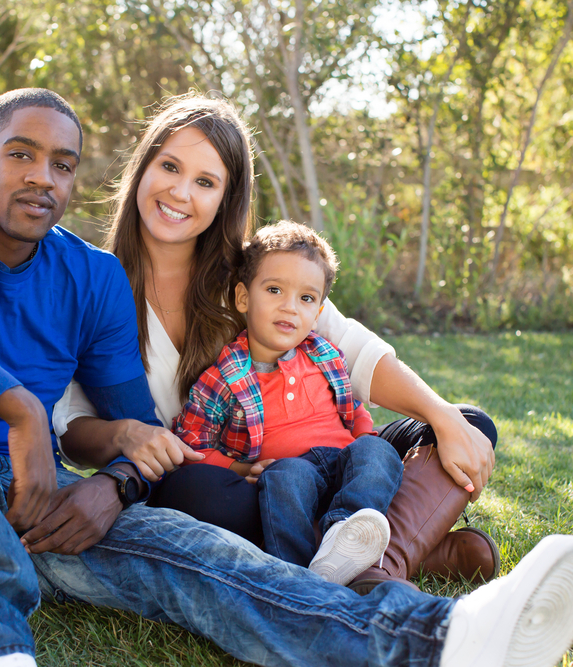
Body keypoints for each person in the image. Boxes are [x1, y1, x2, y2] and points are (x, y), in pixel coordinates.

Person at [0, 87, 573, 667]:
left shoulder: (99, 276)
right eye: (20, 155)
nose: (42, 177)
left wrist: (114, 482)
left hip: (41, 503)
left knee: (199, 558)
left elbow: (144, 432)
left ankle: (444, 635)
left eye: (60, 164)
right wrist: (23, 409)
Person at [56, 93, 500, 590]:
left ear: (226, 198)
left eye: (205, 182)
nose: (181, 192)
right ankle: (406, 552)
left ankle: (375, 566)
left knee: (467, 425)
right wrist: (122, 437)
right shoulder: (97, 283)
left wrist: (440, 416)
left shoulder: (256, 272)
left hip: (332, 457)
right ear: (143, 167)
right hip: (239, 479)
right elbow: (72, 422)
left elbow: (353, 351)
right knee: (188, 491)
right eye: (170, 167)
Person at [173, 221, 402, 585]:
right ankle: (297, 575)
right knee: (283, 479)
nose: (290, 308)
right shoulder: (224, 376)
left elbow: (353, 407)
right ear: (243, 298)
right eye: (275, 290)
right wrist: (235, 468)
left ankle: (346, 531)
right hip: (292, 469)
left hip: (343, 461)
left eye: (306, 298)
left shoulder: (325, 355)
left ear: (318, 311)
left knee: (379, 451)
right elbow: (190, 440)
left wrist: (364, 438)